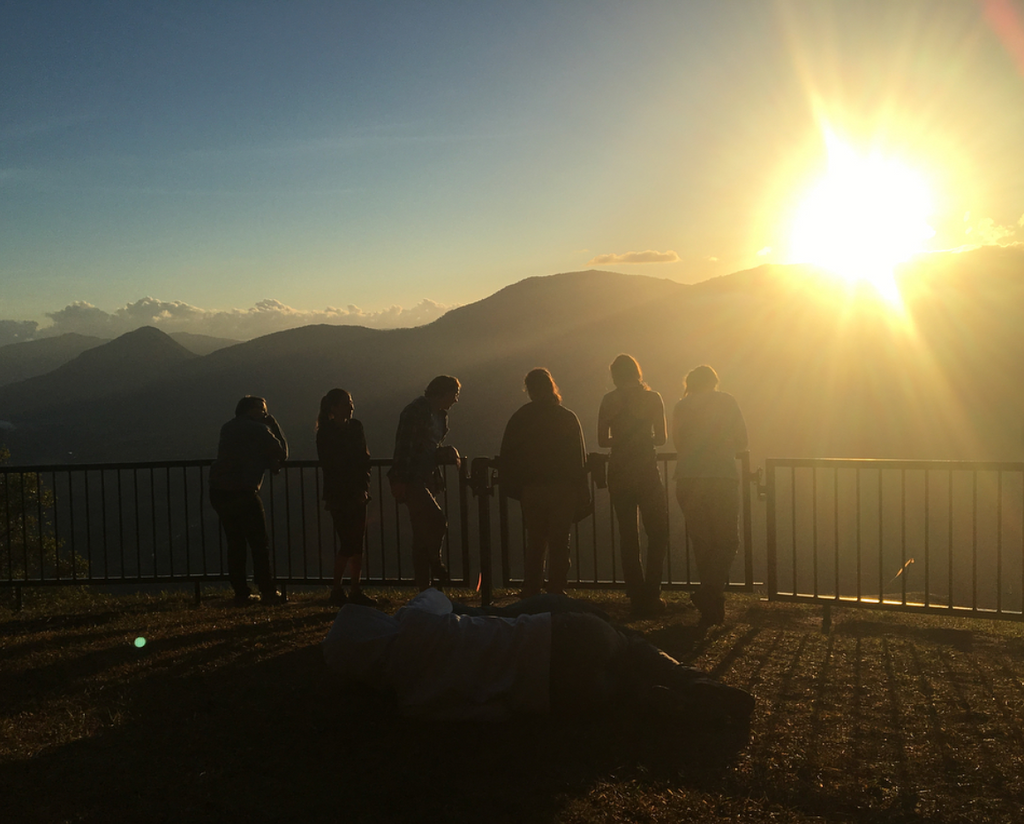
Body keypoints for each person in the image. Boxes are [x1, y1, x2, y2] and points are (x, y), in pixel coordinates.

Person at [322, 588, 755, 725]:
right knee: (625, 644)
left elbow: (491, 714)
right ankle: (693, 680)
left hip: (554, 694)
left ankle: (650, 700)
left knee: (619, 689)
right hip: (559, 636)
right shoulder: (415, 623)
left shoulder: (412, 702)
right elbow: (435, 596)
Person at [499, 368, 589, 598]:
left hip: (532, 489)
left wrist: (516, 486)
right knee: (560, 541)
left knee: (536, 541)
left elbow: (508, 454)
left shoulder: (521, 417)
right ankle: (556, 588)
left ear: (529, 390)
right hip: (563, 489)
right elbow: (578, 459)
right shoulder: (567, 417)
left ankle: (531, 588)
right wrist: (581, 491)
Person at [672, 365, 748, 626]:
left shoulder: (681, 406)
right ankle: (709, 595)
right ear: (714, 381)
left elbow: (678, 443)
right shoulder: (727, 401)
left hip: (688, 479)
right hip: (721, 477)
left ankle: (711, 609)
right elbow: (743, 440)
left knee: (702, 542)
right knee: (728, 540)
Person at [597, 354, 669, 617]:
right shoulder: (653, 398)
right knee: (658, 531)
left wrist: (623, 439)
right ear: (637, 372)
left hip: (618, 470)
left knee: (628, 534)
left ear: (615, 375)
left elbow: (602, 441)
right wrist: (642, 438)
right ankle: (653, 590)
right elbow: (661, 439)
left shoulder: (609, 400)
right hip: (646, 470)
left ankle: (636, 592)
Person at [209, 395, 288, 605]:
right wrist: (274, 426)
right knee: (259, 543)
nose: (265, 413)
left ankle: (241, 591)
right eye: (262, 409)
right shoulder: (260, 430)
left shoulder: (227, 427)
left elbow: (245, 453)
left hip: (219, 490)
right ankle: (268, 590)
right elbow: (282, 453)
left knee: (235, 543)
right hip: (243, 491)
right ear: (250, 410)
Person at [388, 376, 462, 591]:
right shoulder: (416, 410)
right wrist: (400, 479)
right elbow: (404, 447)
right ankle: (435, 561)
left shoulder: (440, 415)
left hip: (427, 477)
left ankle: (424, 589)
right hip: (412, 478)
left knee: (421, 535)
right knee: (437, 521)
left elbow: (428, 448)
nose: (456, 400)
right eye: (454, 394)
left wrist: (448, 452)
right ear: (443, 392)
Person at [317, 388, 376, 608]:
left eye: (350, 402)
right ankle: (341, 589)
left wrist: (363, 487)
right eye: (346, 403)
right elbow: (336, 462)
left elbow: (363, 459)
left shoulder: (352, 427)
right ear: (333, 407)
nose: (350, 407)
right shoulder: (326, 432)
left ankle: (349, 589)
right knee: (349, 542)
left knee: (355, 542)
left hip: (353, 492)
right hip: (341, 494)